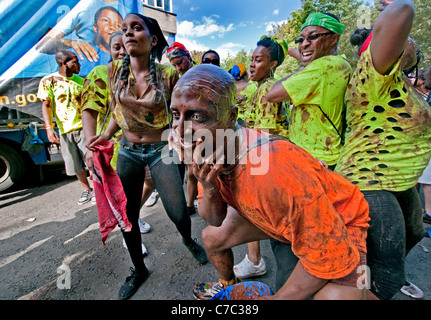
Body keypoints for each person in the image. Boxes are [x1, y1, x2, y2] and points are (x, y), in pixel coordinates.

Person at [169, 64, 373, 300]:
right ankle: (227, 285)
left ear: (232, 116)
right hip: (285, 219)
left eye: (196, 116)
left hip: (340, 219)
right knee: (211, 238)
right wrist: (212, 188)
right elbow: (214, 219)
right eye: (175, 115)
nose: (179, 128)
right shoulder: (208, 148)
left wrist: (277, 299)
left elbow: (328, 253)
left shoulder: (271, 172)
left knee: (338, 298)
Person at [87, 13, 208, 300]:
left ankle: (187, 238)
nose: (127, 33)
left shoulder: (168, 76)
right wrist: (104, 135)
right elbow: (118, 110)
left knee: (178, 211)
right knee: (127, 217)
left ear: (153, 40)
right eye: (125, 29)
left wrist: (184, 137)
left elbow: (182, 114)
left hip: (161, 150)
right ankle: (139, 269)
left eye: (136, 28)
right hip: (128, 150)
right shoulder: (115, 71)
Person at [334, 0, 431, 300]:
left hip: (400, 180)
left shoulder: (399, 82)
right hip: (370, 180)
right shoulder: (373, 72)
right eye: (403, 39)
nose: (407, 41)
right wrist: (392, 4)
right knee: (384, 278)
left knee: (414, 234)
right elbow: (402, 12)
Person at [81, 31, 151, 254]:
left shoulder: (140, 73)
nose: (122, 51)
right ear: (109, 50)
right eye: (116, 47)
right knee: (122, 196)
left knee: (151, 182)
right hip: (114, 148)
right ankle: (130, 235)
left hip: (143, 145)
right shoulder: (101, 73)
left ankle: (133, 216)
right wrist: (89, 147)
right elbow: (89, 111)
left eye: (125, 46)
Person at [232, 36, 290, 280]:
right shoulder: (262, 87)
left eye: (259, 60)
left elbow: (262, 137)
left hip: (267, 161)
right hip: (269, 158)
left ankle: (259, 263)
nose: (252, 65)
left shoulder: (267, 89)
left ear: (273, 63)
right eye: (251, 60)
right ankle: (255, 260)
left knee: (258, 213)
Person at [267, 12, 351, 170]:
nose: (304, 44)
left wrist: (300, 69)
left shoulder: (322, 67)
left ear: (334, 38)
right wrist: (290, 51)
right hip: (326, 154)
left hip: (315, 160)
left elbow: (272, 94)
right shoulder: (339, 63)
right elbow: (310, 57)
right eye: (301, 39)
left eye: (313, 37)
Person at [37, 50, 94, 206]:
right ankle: (87, 190)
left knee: (91, 161)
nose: (79, 65)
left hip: (84, 128)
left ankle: (96, 189)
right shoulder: (49, 81)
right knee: (74, 164)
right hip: (64, 130)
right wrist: (49, 129)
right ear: (64, 63)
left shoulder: (82, 82)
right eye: (75, 62)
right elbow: (46, 105)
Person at [166, 41, 198, 215]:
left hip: (201, 127)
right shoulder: (177, 79)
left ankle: (197, 203)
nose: (178, 67)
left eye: (180, 62)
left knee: (198, 169)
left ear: (188, 56)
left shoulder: (201, 73)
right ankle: (189, 205)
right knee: (189, 169)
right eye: (174, 65)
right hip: (184, 129)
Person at [229, 63, 257, 127]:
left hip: (234, 123)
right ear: (246, 74)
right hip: (250, 124)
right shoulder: (253, 87)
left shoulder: (230, 89)